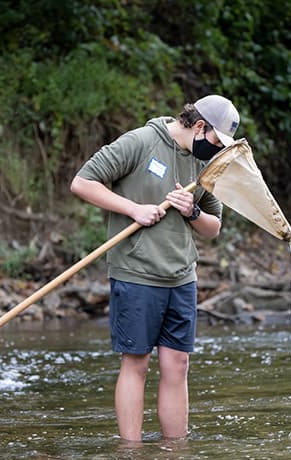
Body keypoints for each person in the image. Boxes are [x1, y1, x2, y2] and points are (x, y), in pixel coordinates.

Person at [70, 95, 240, 441]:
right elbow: (82, 183)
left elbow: (213, 228)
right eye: (215, 141)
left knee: (178, 365)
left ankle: (174, 453)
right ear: (199, 126)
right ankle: (130, 455)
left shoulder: (204, 163)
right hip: (137, 273)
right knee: (137, 364)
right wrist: (134, 209)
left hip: (181, 276)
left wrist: (192, 211)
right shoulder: (140, 142)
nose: (217, 149)